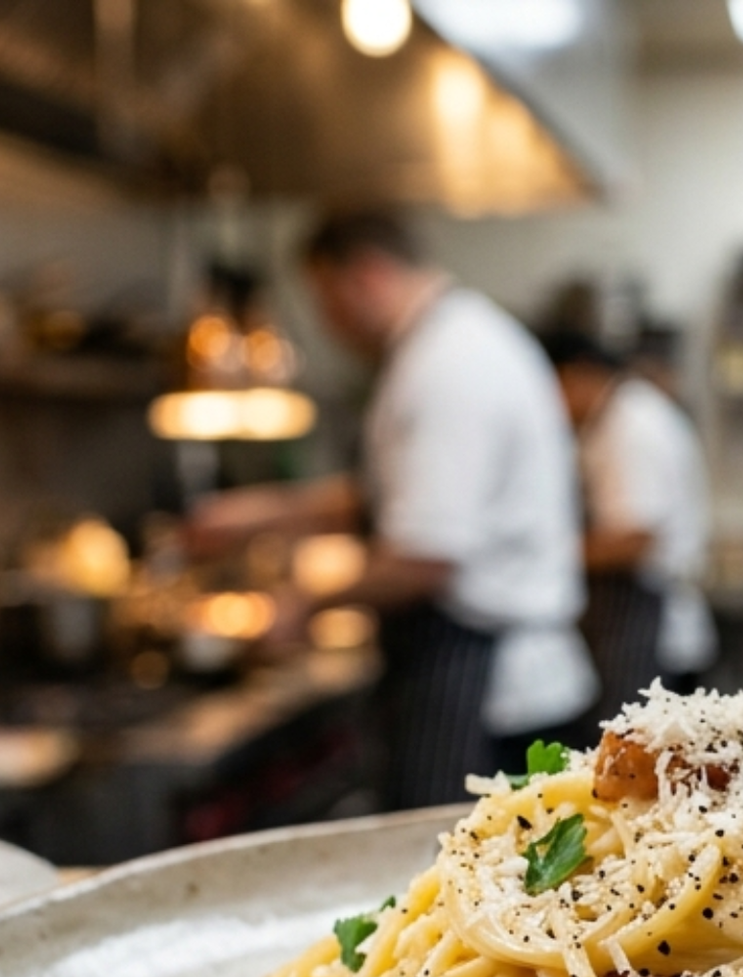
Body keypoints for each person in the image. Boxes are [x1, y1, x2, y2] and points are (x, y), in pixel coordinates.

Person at [187, 212, 595, 807]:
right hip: (480, 682)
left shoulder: (445, 366)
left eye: (326, 301)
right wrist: (259, 516)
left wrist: (305, 605)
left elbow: (425, 556)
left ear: (368, 277)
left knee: (453, 878)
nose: (329, 326)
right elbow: (392, 496)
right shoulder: (453, 341)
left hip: (486, 696)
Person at [541, 329, 717, 716]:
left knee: (638, 760)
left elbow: (632, 539)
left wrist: (542, 556)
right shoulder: (620, 416)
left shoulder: (632, 425)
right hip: (634, 624)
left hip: (646, 628)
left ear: (578, 375)